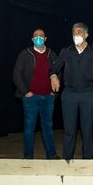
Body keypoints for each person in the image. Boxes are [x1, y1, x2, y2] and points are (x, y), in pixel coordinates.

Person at [54, 22, 93, 161]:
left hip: (87, 95)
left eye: (79, 32)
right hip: (69, 95)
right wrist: (53, 76)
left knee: (87, 130)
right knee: (69, 130)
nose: (76, 35)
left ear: (86, 35)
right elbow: (54, 68)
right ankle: (67, 159)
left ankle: (87, 160)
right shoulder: (66, 51)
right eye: (73, 32)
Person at [12, 28, 61, 159]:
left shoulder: (52, 54)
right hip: (31, 98)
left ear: (45, 39)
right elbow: (17, 74)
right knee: (29, 127)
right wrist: (25, 92)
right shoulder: (25, 54)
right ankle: (28, 156)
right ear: (32, 39)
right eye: (35, 36)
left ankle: (51, 155)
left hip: (48, 98)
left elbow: (58, 73)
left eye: (41, 36)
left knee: (48, 127)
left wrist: (54, 92)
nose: (38, 37)